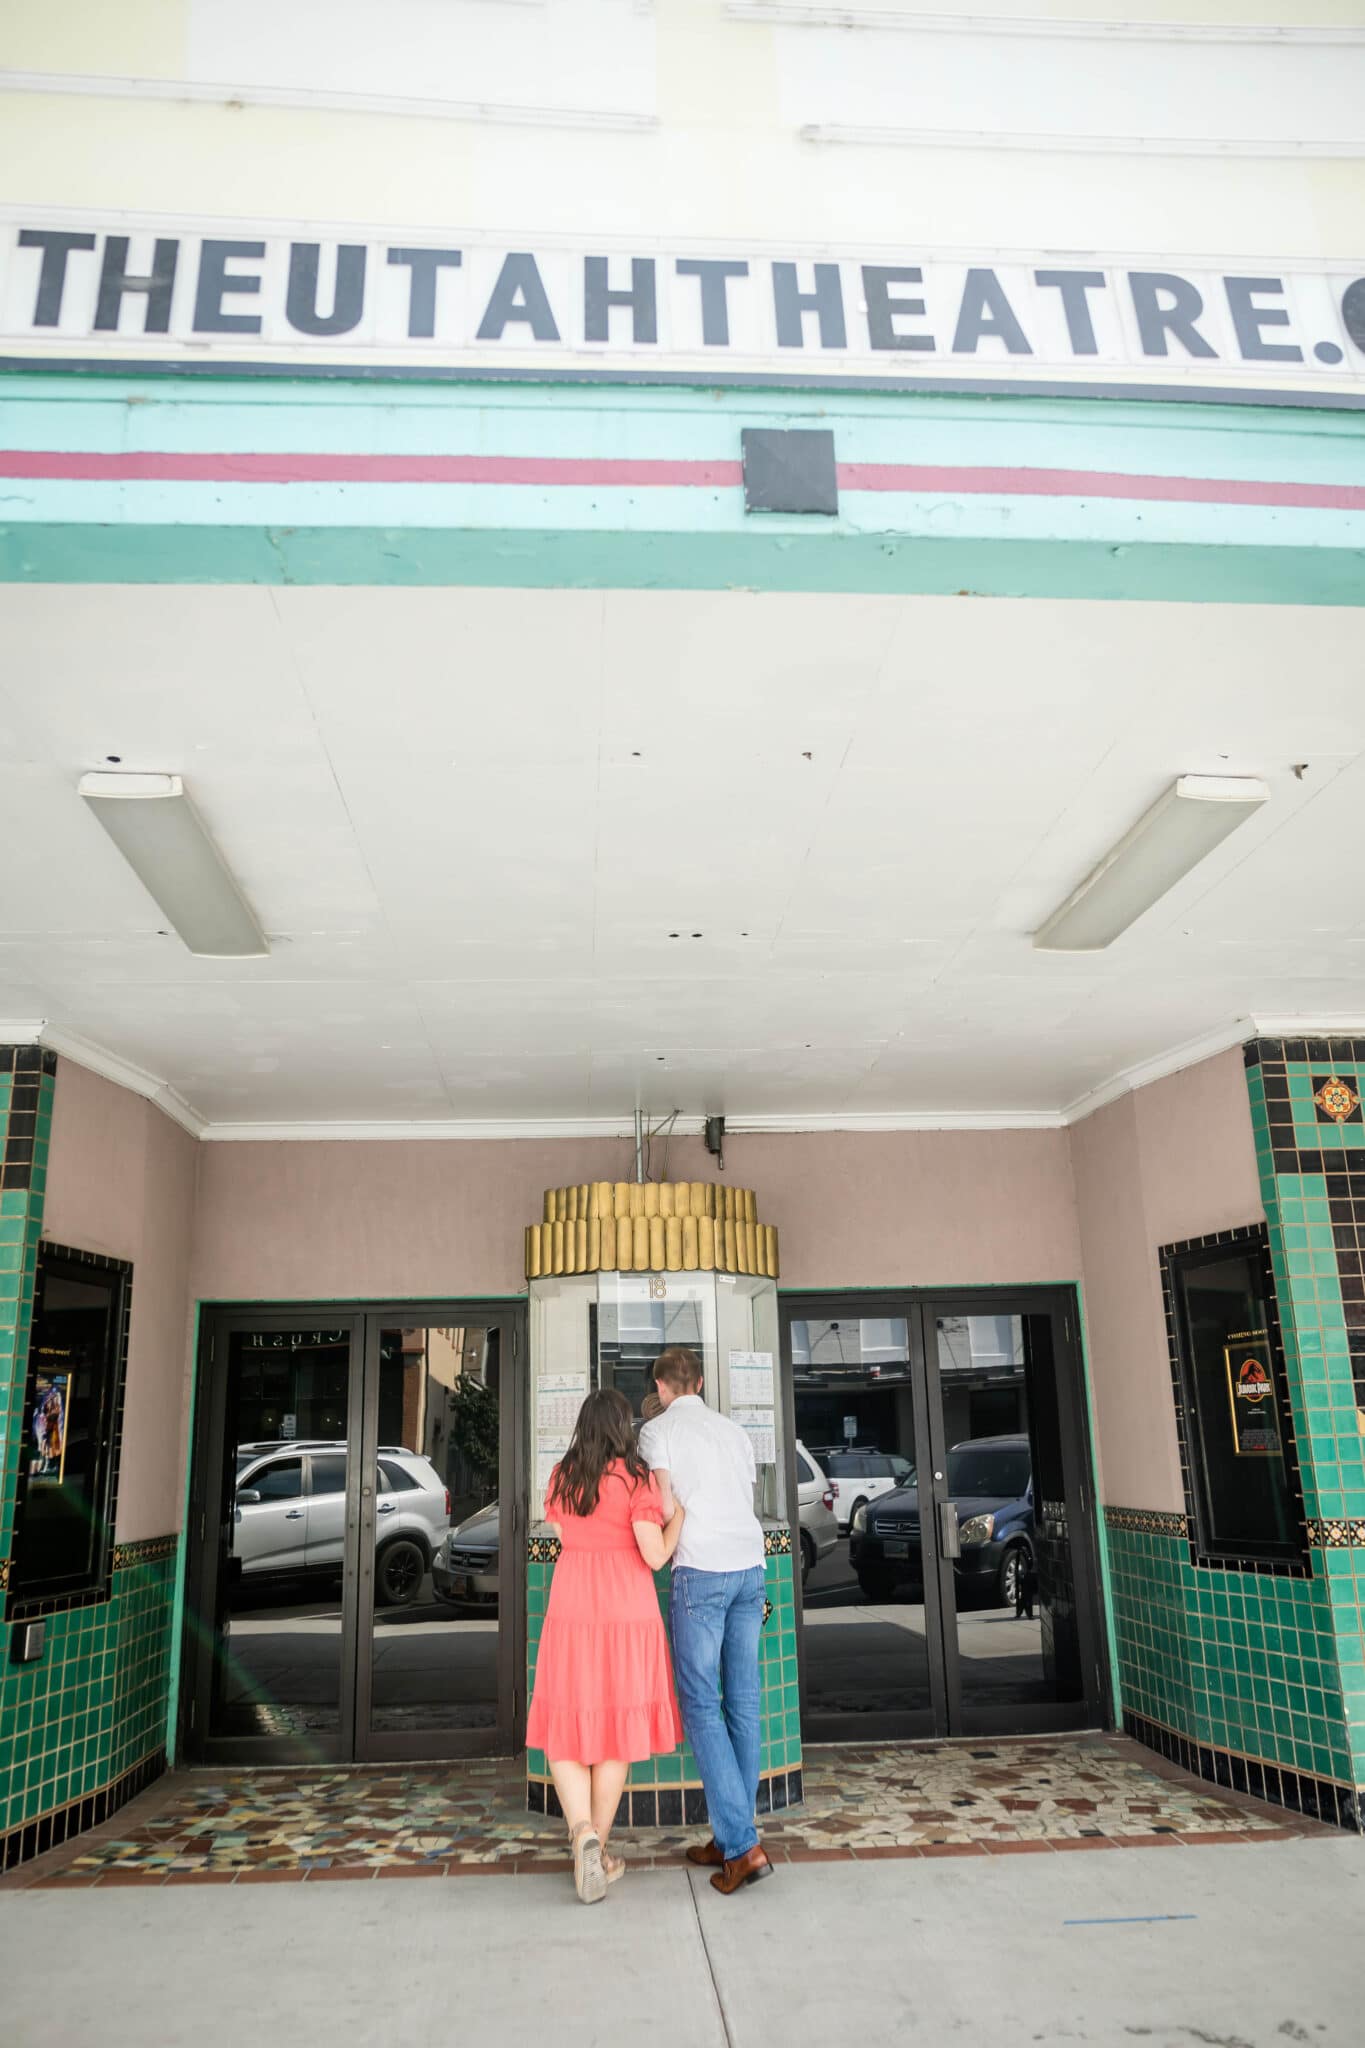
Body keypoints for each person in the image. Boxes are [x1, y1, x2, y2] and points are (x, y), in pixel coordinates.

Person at [526, 1386, 685, 1904]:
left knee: (565, 1727)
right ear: (622, 1427)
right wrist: (678, 1513)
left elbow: (560, 1530)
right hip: (626, 1614)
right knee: (615, 1733)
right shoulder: (635, 1480)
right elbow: (656, 1554)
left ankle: (582, 1836)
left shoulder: (563, 1476)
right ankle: (599, 1844)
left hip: (571, 1612)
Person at [638, 1345, 773, 1895]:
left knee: (699, 1702)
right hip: (750, 1566)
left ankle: (742, 1847)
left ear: (663, 1386)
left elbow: (666, 1503)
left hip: (702, 1570)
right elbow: (745, 1494)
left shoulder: (658, 1430)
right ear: (698, 1382)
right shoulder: (735, 1431)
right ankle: (731, 1834)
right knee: (741, 1699)